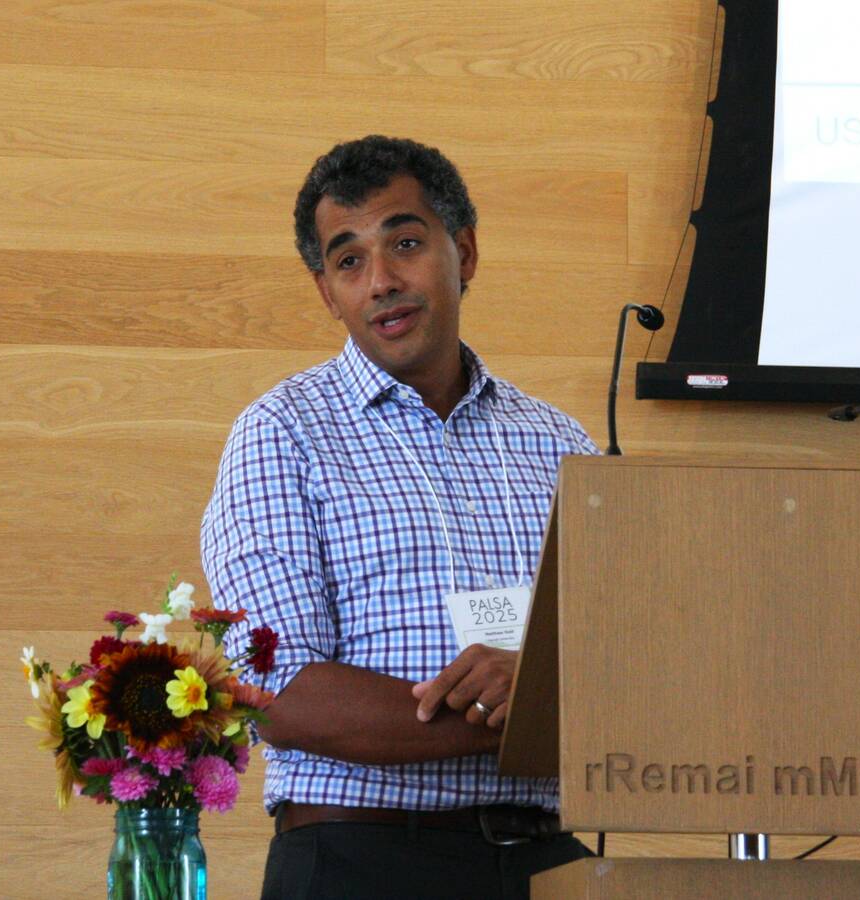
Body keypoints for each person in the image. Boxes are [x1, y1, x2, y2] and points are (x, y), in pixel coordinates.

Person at [201, 135, 598, 899]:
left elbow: (625, 661)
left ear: (467, 252)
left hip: (547, 863)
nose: (381, 281)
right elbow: (281, 692)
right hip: (359, 860)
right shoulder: (283, 431)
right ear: (327, 292)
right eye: (348, 261)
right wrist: (525, 715)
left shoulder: (562, 445)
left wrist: (551, 693)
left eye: (406, 244)